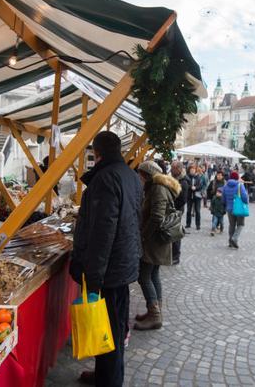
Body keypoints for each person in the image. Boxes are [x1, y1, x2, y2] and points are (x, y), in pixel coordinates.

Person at [70, 131, 143, 386]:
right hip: (123, 263)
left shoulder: (105, 179)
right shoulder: (131, 176)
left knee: (110, 330)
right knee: (110, 327)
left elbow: (103, 232)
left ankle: (109, 381)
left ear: (96, 153)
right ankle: (104, 375)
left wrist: (93, 276)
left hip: (110, 269)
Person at [134, 161, 179, 331]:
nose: (138, 177)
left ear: (146, 175)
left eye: (140, 174)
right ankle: (155, 311)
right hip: (156, 241)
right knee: (152, 275)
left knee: (144, 276)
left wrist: (143, 236)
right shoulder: (156, 188)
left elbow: (157, 218)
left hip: (154, 242)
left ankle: (155, 315)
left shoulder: (158, 189)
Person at [221, 171, 248, 249]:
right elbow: (244, 197)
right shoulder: (240, 185)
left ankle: (230, 242)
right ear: (237, 177)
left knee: (232, 225)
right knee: (241, 224)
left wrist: (226, 205)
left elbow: (223, 199)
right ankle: (234, 238)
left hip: (229, 209)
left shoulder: (225, 186)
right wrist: (246, 203)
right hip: (239, 209)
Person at [170, 161, 189, 265]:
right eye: (172, 168)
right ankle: (172, 254)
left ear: (179, 169)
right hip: (174, 209)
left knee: (175, 233)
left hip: (177, 210)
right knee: (171, 231)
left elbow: (183, 200)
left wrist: (173, 207)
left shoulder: (183, 182)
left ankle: (176, 256)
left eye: (173, 168)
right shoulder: (175, 178)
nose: (172, 170)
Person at [185, 165, 206, 231]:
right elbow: (185, 185)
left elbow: (201, 185)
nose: (192, 171)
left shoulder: (198, 177)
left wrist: (196, 188)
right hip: (189, 196)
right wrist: (190, 187)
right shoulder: (187, 177)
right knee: (188, 211)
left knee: (197, 211)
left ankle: (198, 225)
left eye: (193, 170)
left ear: (195, 170)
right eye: (191, 170)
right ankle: (188, 224)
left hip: (197, 196)